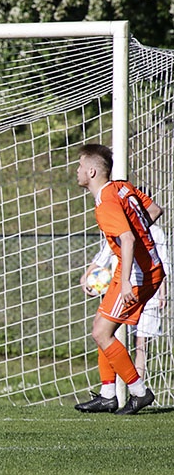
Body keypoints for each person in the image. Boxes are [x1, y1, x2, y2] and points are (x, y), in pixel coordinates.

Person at [74, 144, 165, 415]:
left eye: (79, 166)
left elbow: (126, 238)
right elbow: (155, 210)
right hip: (137, 269)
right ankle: (107, 395)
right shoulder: (122, 187)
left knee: (101, 333)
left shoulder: (105, 204)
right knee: (101, 328)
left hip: (137, 275)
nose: (77, 171)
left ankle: (139, 392)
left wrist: (126, 280)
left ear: (91, 171)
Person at [82, 221, 169, 379]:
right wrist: (87, 275)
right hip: (122, 292)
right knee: (111, 337)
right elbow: (104, 254)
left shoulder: (155, 232)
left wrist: (163, 292)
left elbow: (161, 261)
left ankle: (138, 387)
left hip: (149, 292)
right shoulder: (120, 227)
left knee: (141, 343)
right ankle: (115, 386)